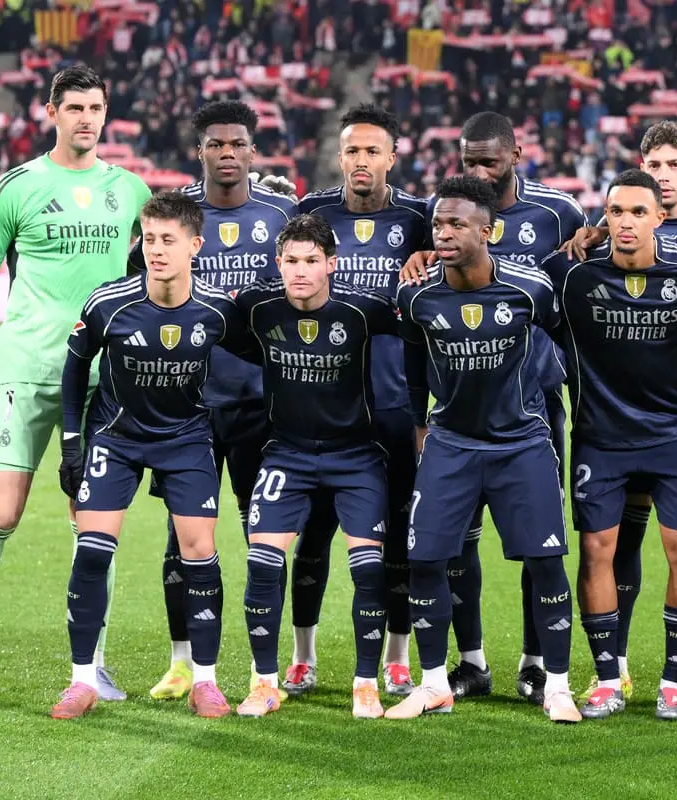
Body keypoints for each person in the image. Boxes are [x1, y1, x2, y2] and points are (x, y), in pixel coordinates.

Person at [0, 64, 152, 701]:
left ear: (106, 113)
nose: (87, 119)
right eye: (75, 108)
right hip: (29, 372)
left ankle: (92, 663)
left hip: (100, 381)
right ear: (52, 112)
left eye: (97, 108)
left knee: (95, 526)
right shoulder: (18, 187)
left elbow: (157, 272)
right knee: (2, 513)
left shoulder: (132, 191)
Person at [541, 170, 677, 721]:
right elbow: (498, 276)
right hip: (600, 440)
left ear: (660, 217)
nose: (626, 223)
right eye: (615, 213)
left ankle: (675, 682)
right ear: (601, 218)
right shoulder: (570, 274)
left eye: (638, 212)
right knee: (596, 551)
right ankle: (609, 677)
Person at [400, 112, 587, 705]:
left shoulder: (536, 272)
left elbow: (566, 336)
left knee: (544, 555)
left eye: (457, 225)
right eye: (439, 226)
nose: (444, 233)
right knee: (434, 551)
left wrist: (547, 393)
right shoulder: (417, 293)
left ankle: (550, 678)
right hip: (451, 439)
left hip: (525, 434)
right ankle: (447, 676)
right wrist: (417, 422)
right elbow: (410, 361)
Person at [52, 192, 256, 719]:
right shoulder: (109, 303)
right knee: (93, 551)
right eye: (148, 239)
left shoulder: (218, 309)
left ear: (195, 245)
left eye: (168, 240)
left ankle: (206, 682)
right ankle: (81, 680)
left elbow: (262, 353)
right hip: (116, 439)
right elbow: (74, 371)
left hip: (186, 439)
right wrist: (72, 444)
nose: (156, 250)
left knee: (199, 554)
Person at [146, 100, 315, 702]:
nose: (225, 153)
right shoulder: (175, 216)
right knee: (182, 537)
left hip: (259, 403)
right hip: (185, 405)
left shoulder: (281, 212)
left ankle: (264, 666)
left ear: (252, 150)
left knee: (261, 535)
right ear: (200, 151)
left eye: (236, 144)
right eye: (214, 144)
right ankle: (181, 661)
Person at [285, 103, 430, 698]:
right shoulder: (312, 214)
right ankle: (303, 654)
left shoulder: (422, 219)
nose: (361, 161)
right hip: (323, 402)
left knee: (398, 531)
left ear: (393, 157)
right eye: (352, 150)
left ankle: (397, 656)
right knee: (314, 530)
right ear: (338, 156)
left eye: (373, 150)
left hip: (394, 403)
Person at [231, 214, 399, 720]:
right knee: (263, 563)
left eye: (310, 261)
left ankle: (365, 683)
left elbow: (421, 327)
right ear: (277, 263)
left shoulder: (364, 310)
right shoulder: (255, 308)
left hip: (357, 456)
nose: (299, 271)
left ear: (331, 263)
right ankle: (263, 682)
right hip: (287, 452)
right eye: (290, 261)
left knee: (369, 568)